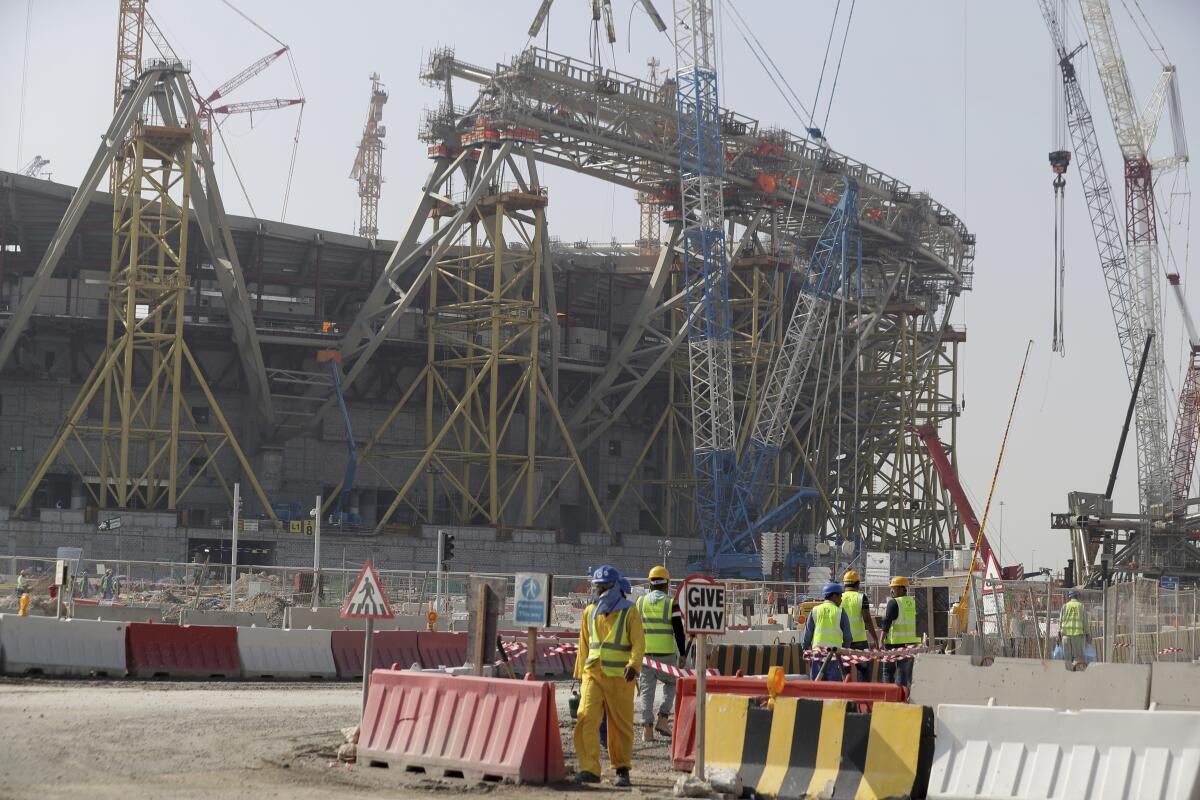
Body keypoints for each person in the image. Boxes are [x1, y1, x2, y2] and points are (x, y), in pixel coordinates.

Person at [573, 565, 645, 788]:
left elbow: (638, 642)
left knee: (620, 726)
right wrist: (578, 676)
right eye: (597, 586)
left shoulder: (629, 611)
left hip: (621, 678)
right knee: (586, 717)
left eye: (605, 586)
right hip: (593, 674)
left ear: (615, 587)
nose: (601, 590)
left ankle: (622, 769)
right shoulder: (589, 613)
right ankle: (589, 768)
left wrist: (634, 664)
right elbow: (584, 646)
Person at [634, 565, 686, 741]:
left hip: (646, 656)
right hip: (666, 656)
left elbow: (633, 629)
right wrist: (683, 654)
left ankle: (647, 730)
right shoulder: (671, 603)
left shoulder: (640, 602)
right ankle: (663, 719)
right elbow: (678, 631)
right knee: (672, 684)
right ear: (667, 585)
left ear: (650, 585)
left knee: (646, 691)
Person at [801, 582, 853, 681]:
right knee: (833, 690)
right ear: (834, 595)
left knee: (817, 689)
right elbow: (848, 638)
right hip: (834, 657)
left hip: (817, 656)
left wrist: (805, 650)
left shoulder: (815, 610)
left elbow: (807, 635)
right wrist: (843, 651)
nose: (841, 599)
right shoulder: (840, 612)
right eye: (840, 596)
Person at [880, 576, 920, 686]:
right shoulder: (914, 602)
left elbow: (886, 623)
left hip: (893, 644)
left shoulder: (894, 603)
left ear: (903, 589)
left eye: (894, 588)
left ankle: (888, 697)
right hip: (911, 644)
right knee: (904, 673)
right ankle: (902, 698)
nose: (892, 590)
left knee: (887, 672)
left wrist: (880, 641)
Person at [841, 570, 880, 682]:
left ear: (844, 584)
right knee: (864, 672)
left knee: (844, 674)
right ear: (857, 584)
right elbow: (867, 620)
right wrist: (876, 640)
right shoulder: (861, 597)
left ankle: (845, 698)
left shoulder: (838, 598)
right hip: (860, 642)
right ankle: (862, 697)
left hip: (843, 642)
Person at [1059, 589, 1090, 670]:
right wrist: (1088, 634)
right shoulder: (1081, 606)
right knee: (1078, 658)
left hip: (1065, 636)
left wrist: (1059, 634)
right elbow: (1085, 622)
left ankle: (1067, 675)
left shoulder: (1065, 606)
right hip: (1078, 636)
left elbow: (1060, 621)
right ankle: (1077, 676)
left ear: (1070, 597)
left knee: (1067, 659)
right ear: (1077, 596)